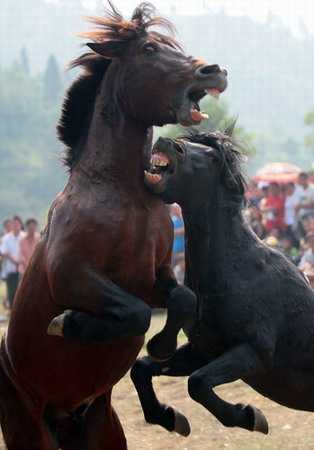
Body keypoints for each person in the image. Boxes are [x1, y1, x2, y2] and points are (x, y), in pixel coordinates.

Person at [0, 216, 25, 309]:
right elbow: (5, 252)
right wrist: (16, 262)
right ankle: (12, 309)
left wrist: (21, 262)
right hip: (11, 268)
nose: (15, 226)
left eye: (17, 224)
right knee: (12, 290)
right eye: (13, 224)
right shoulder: (6, 238)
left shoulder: (24, 236)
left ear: (20, 225)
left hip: (24, 267)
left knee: (23, 289)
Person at [294, 172, 314, 239]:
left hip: (311, 215)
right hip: (302, 216)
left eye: (302, 179)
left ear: (306, 179)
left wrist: (302, 205)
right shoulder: (298, 190)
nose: (301, 181)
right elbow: (297, 205)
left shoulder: (312, 189)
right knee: (303, 234)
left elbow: (311, 204)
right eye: (300, 179)